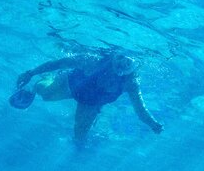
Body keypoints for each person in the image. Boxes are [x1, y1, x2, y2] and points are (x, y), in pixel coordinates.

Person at [15, 52, 164, 144]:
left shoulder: (130, 83)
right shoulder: (91, 61)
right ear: (112, 59)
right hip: (69, 84)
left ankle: (76, 157)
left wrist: (153, 124)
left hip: (91, 103)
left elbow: (140, 108)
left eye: (122, 70)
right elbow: (59, 63)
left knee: (80, 135)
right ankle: (37, 85)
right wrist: (31, 73)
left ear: (129, 71)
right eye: (115, 66)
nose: (113, 75)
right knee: (46, 94)